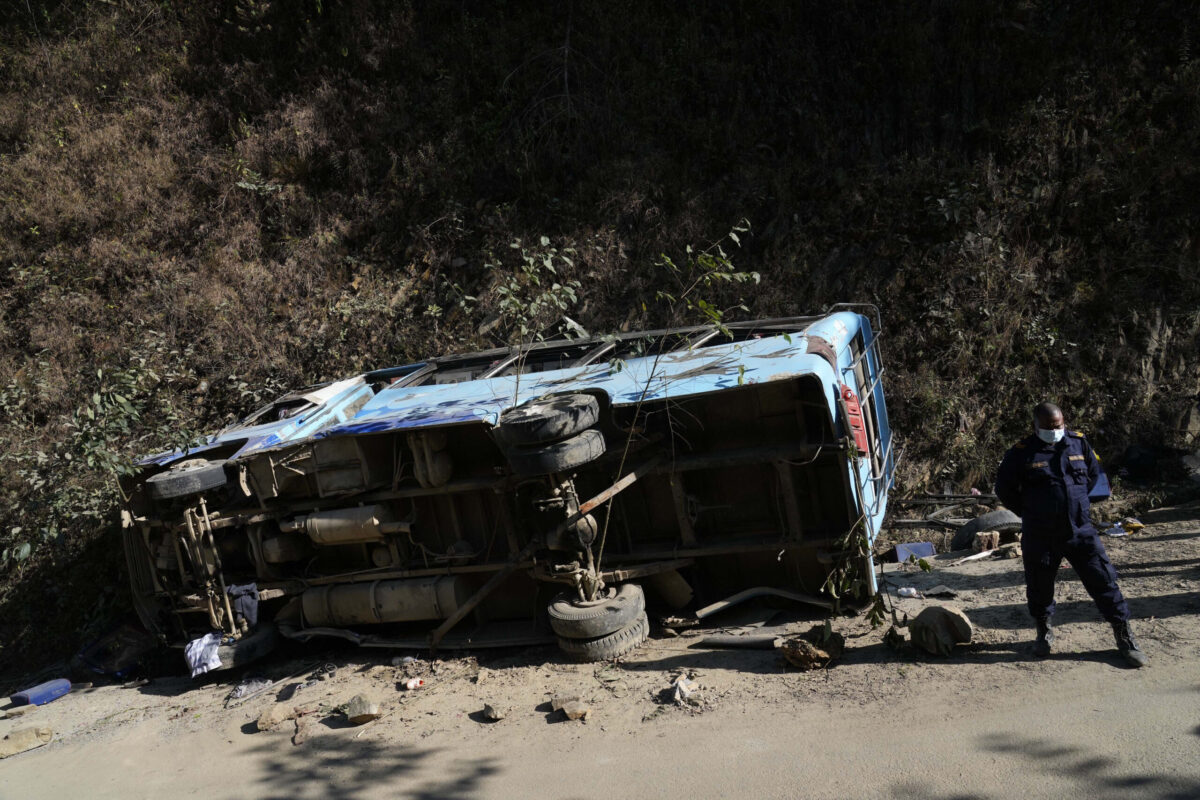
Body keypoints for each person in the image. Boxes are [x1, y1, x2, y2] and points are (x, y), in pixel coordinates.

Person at [994, 402, 1147, 667]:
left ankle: (1124, 636)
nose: (1055, 431)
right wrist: (1032, 512)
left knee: (1104, 581)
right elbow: (1005, 490)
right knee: (1040, 587)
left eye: (1059, 425)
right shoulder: (1021, 453)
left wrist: (1074, 504)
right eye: (1049, 427)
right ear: (1036, 425)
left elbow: (1091, 475)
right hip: (1041, 534)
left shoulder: (1078, 443)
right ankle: (1043, 632)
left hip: (1080, 530)